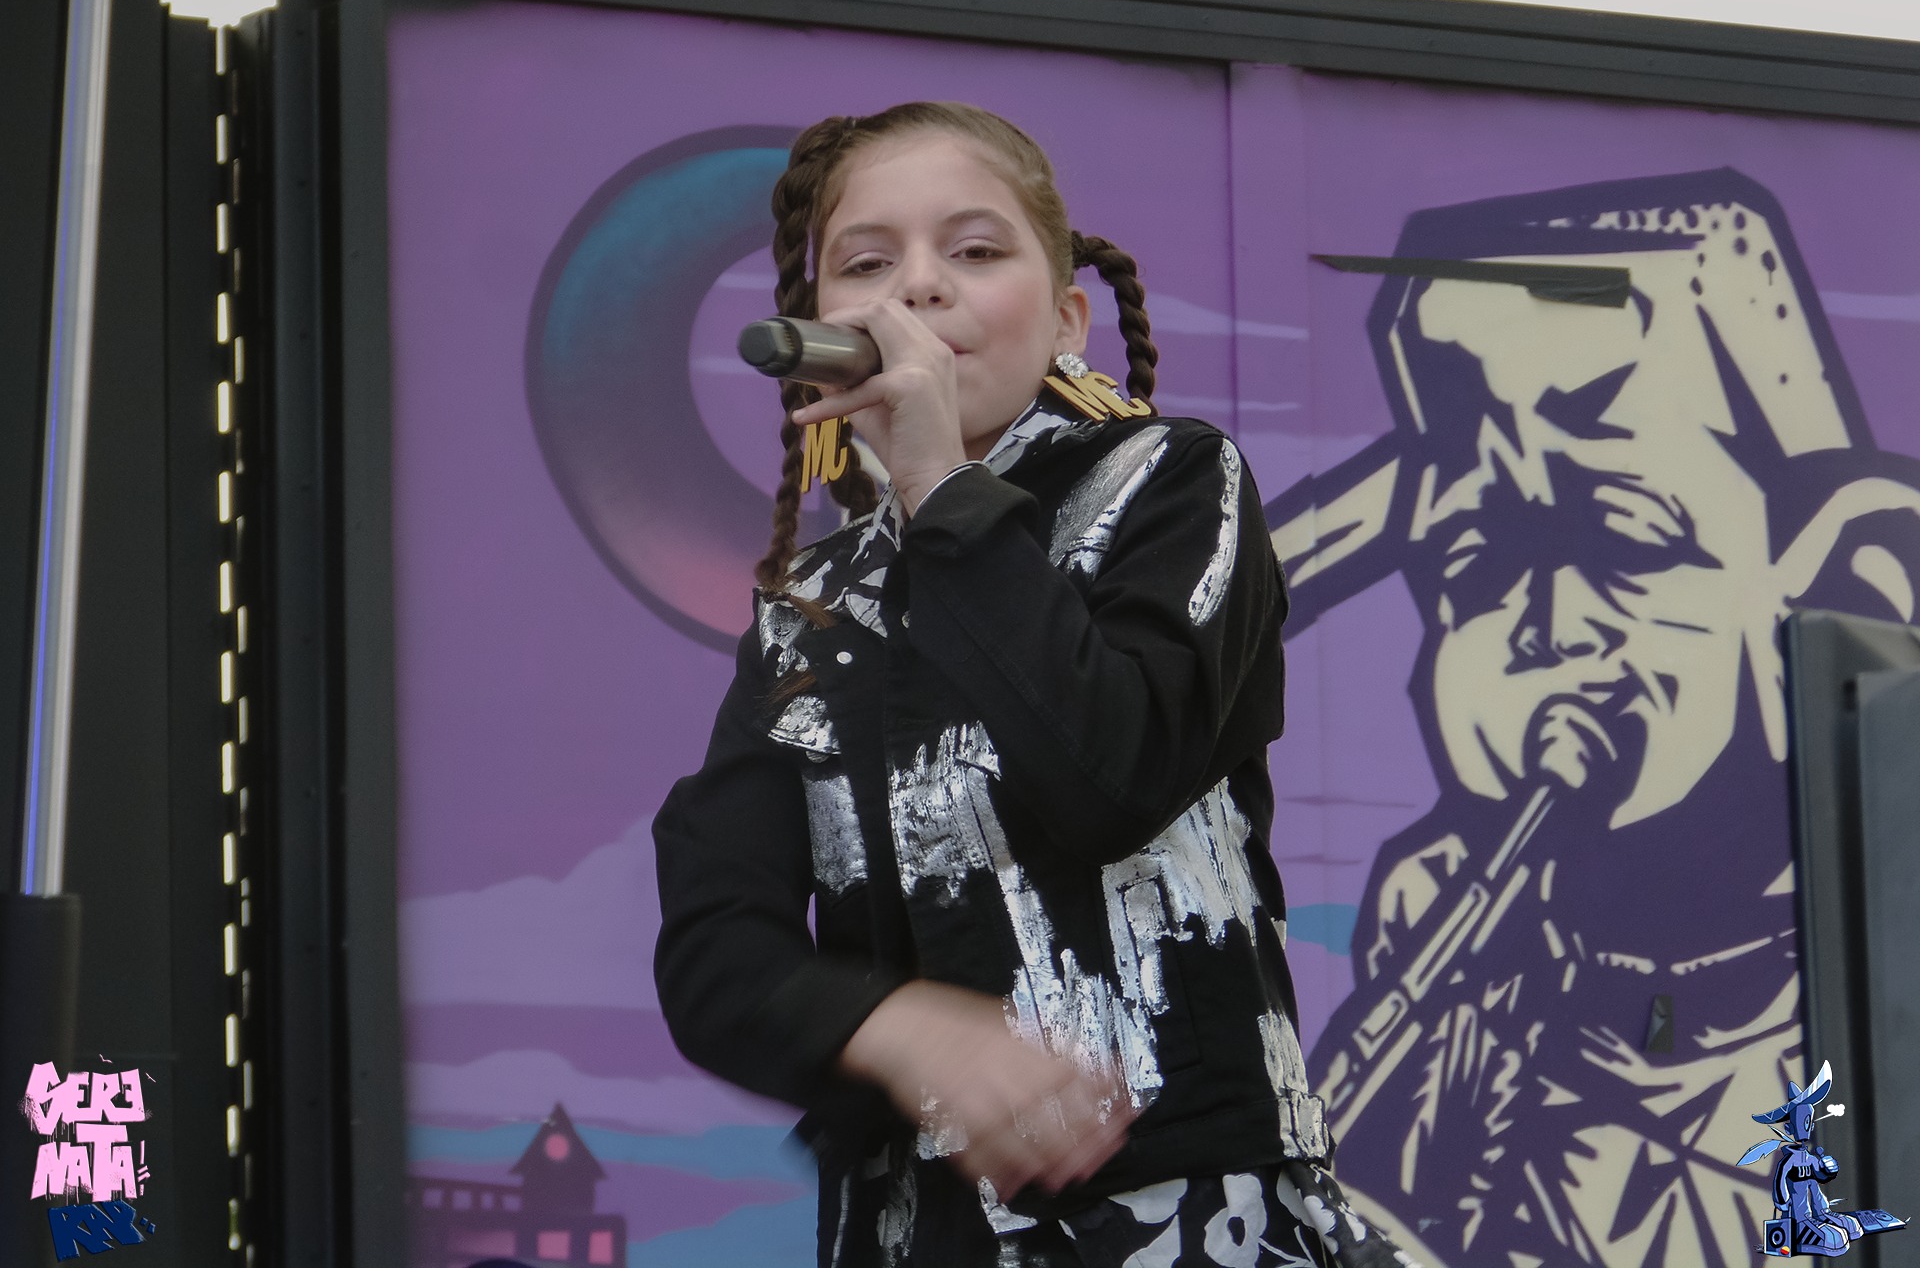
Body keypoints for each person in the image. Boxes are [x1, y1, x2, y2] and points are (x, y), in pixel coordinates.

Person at [653, 102, 1419, 1268]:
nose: (920, 288)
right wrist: (895, 1027)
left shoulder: (1174, 484)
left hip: (1186, 1214)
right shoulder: (809, 608)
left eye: (973, 250)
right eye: (867, 264)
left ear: (1067, 320)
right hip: (917, 1231)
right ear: (818, 335)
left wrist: (940, 488)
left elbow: (1114, 772)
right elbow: (716, 955)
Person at [1271, 170, 1920, 1267]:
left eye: (1622, 538)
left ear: (1848, 581)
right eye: (1478, 566)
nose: (1547, 628)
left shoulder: (1881, 969)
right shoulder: (1458, 984)